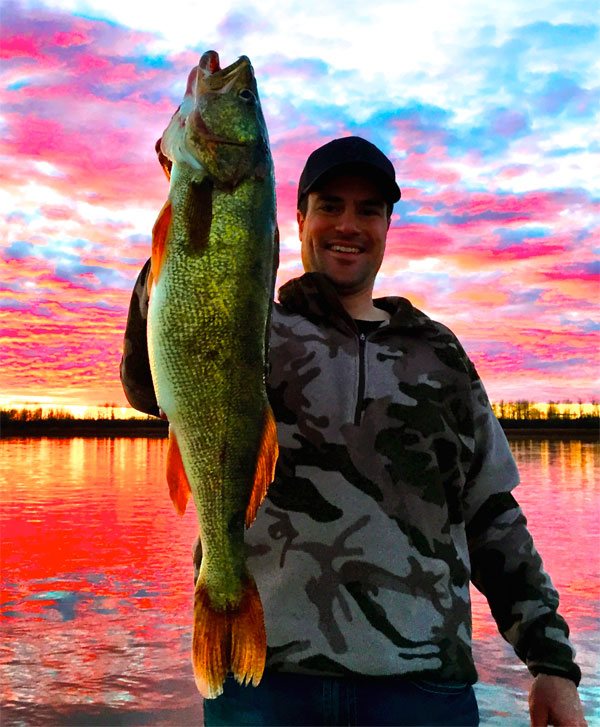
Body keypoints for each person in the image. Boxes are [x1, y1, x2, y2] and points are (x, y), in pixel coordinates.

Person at [120, 136, 587, 726]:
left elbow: (492, 514)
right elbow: (145, 384)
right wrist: (187, 210)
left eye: (369, 210)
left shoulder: (438, 353)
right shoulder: (251, 326)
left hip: (421, 689)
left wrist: (551, 664)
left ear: (389, 225)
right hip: (263, 683)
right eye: (330, 205)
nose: (348, 224)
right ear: (297, 218)